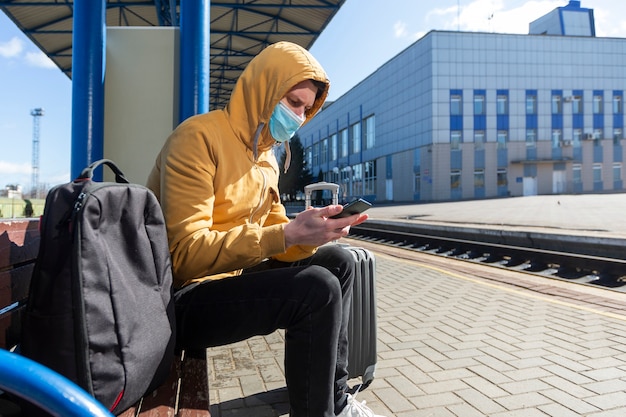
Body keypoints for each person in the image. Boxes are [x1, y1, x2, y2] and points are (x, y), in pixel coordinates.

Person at [147, 41, 384, 417]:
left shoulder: (266, 158)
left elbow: (276, 236)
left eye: (306, 109)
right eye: (293, 102)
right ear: (264, 90)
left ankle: (335, 403)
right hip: (181, 300)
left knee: (339, 262)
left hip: (229, 279)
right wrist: (286, 235)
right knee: (315, 289)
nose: (299, 116)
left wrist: (311, 235)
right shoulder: (198, 138)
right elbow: (184, 257)